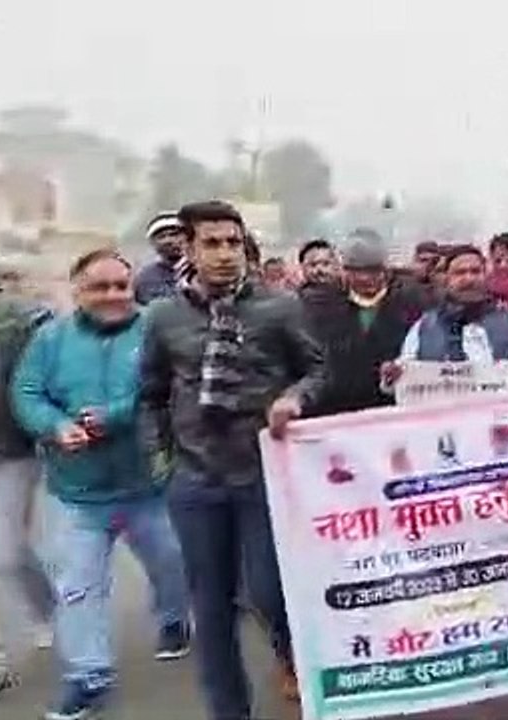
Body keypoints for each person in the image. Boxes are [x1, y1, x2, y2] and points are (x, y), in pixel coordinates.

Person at [139, 200, 326, 720]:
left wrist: (295, 398)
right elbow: (151, 393)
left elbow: (316, 370)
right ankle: (229, 710)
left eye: (233, 243)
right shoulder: (162, 316)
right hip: (197, 481)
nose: (225, 255)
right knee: (212, 608)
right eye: (212, 243)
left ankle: (304, 668)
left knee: (270, 593)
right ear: (190, 249)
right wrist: (163, 460)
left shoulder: (279, 307)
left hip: (264, 474)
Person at [12, 249, 191, 720]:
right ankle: (88, 677)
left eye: (121, 286)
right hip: (76, 493)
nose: (113, 296)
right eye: (100, 287)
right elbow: (27, 393)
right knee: (78, 588)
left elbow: (168, 386)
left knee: (171, 565)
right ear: (77, 291)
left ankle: (174, 618)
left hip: (149, 484)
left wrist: (114, 415)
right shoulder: (50, 339)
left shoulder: (156, 329)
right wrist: (54, 426)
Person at [0, 265, 53, 701]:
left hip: (8, 451)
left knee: (3, 553)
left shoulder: (18, 317)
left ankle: (48, 608)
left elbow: (50, 367)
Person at [302, 229, 428, 416]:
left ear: (385, 269)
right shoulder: (318, 306)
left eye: (373, 270)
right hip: (338, 411)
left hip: (395, 411)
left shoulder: (413, 303)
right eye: (355, 271)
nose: (364, 278)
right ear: (343, 270)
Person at [383, 244, 508, 385]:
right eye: (460, 273)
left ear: (486, 276)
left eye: (475, 271)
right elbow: (402, 377)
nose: (469, 279)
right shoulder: (423, 329)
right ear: (447, 279)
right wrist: (393, 376)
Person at [134, 212, 187, 304]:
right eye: (161, 237)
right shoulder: (144, 278)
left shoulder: (203, 270)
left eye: (173, 234)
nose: (168, 241)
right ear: (153, 243)